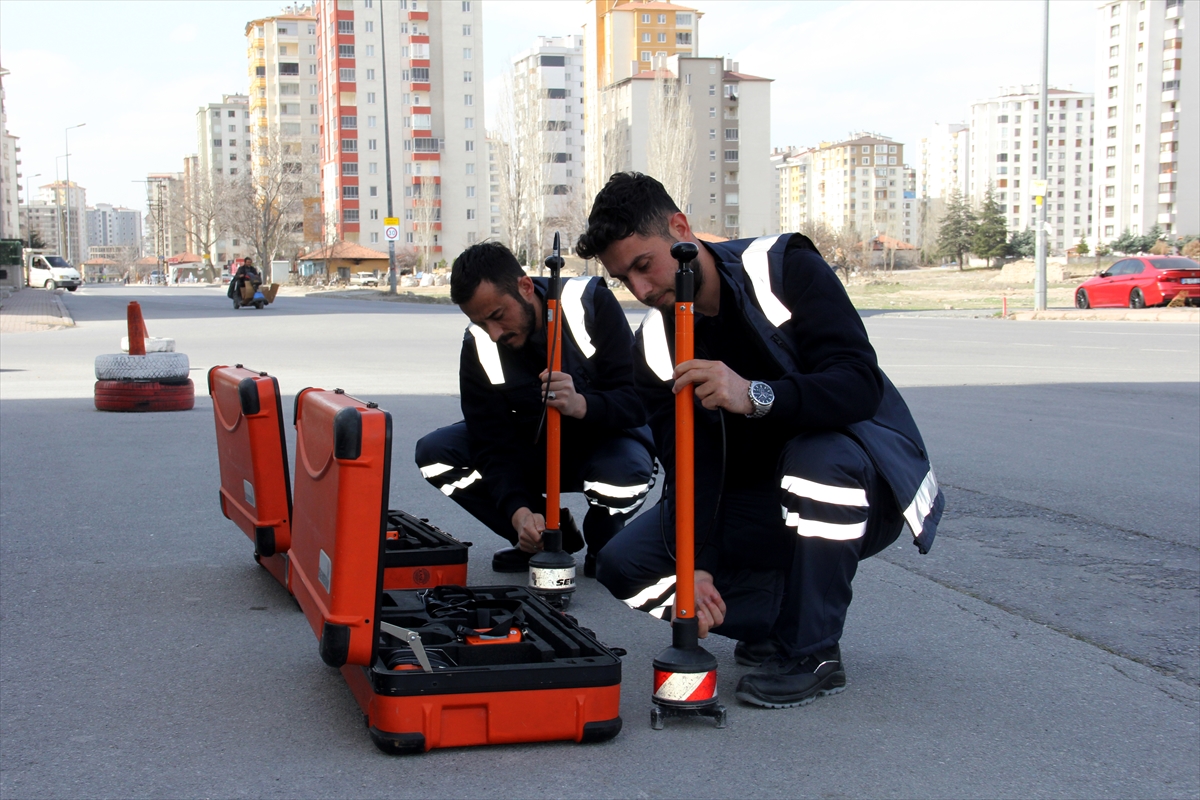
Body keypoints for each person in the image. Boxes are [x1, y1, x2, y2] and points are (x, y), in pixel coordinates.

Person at [575, 173, 944, 710]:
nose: (642, 290)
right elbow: (688, 462)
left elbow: (859, 384)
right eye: (623, 278)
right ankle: (779, 623)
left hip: (860, 487)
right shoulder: (655, 345)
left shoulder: (783, 269)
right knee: (623, 564)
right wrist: (696, 561)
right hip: (754, 502)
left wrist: (755, 395)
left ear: (681, 228)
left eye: (644, 265)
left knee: (815, 459)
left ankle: (813, 653)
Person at [415, 241, 656, 576]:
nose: (494, 334)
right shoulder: (480, 343)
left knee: (626, 473)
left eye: (497, 316)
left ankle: (604, 540)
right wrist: (519, 512)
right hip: (533, 447)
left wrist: (581, 404)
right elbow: (491, 442)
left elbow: (639, 403)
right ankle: (542, 537)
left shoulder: (588, 305)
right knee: (436, 453)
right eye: (481, 323)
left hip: (603, 445)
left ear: (525, 287)